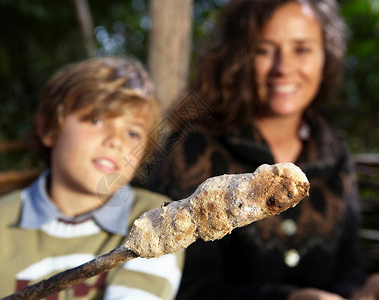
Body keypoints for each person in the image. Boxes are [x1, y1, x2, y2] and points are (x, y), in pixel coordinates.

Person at [146, 0, 379, 299]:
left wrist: (359, 291)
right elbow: (177, 281)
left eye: (302, 49)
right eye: (264, 49)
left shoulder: (334, 154)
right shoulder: (191, 149)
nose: (283, 68)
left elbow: (350, 265)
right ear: (238, 57)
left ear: (327, 57)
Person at [0, 57, 183, 299]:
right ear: (49, 128)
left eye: (132, 133)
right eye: (96, 119)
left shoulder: (157, 221)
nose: (115, 140)